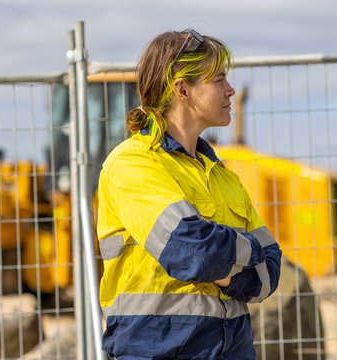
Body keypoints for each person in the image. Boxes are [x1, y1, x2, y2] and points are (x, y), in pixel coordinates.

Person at [96, 29, 282, 360]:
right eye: (219, 79)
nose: (231, 90)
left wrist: (222, 260)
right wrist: (247, 254)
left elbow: (271, 271)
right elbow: (192, 251)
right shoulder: (133, 163)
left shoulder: (223, 175)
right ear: (182, 89)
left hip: (232, 350)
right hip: (157, 349)